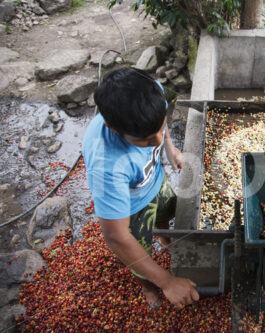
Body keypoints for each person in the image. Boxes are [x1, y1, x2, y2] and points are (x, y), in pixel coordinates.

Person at [82, 67, 199, 309]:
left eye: (160, 127)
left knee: (166, 211)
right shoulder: (107, 166)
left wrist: (169, 147)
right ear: (114, 129)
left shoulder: (150, 92)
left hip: (153, 180)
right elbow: (116, 237)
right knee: (139, 247)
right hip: (133, 207)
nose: (154, 140)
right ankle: (148, 286)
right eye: (144, 140)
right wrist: (166, 281)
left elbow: (158, 129)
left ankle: (165, 239)